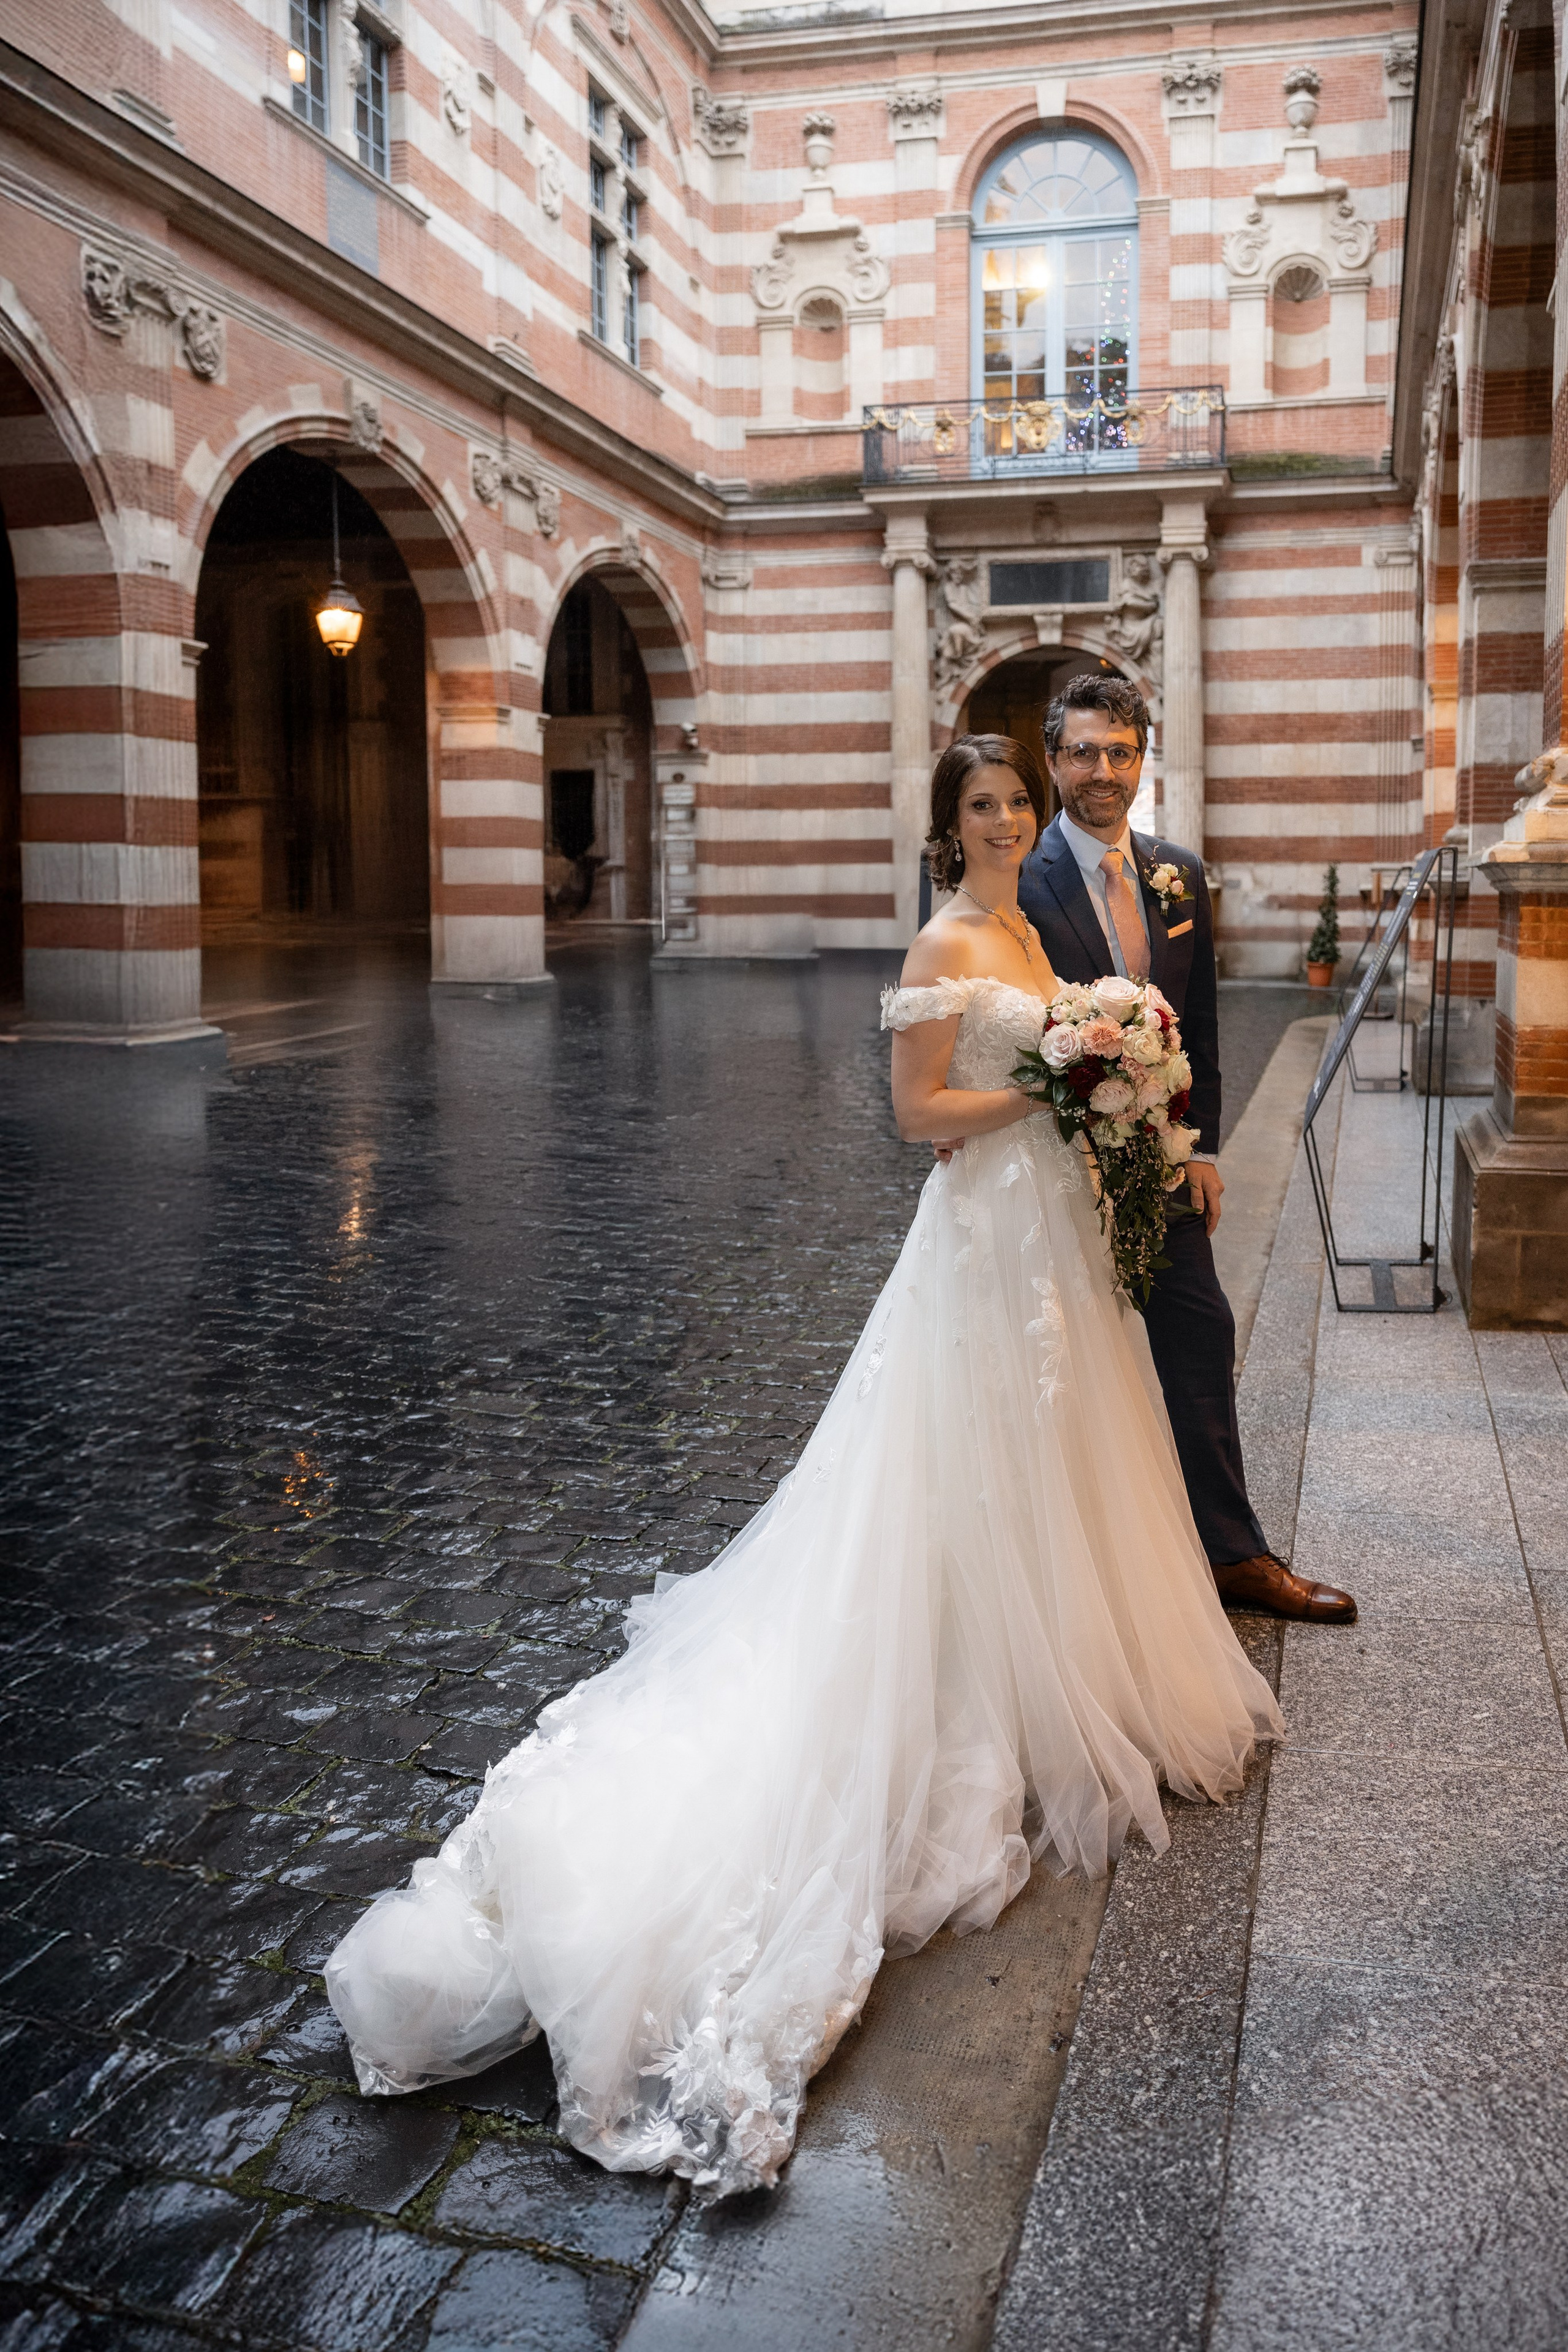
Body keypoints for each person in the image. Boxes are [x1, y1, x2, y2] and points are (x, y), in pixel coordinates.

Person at [324, 733, 1283, 2201]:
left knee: (1070, 1455)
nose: (1003, 820)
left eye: (1014, 802)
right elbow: (917, 1118)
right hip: (976, 1247)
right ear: (943, 824)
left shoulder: (1030, 925)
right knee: (959, 1467)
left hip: (1058, 1244)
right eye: (982, 804)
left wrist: (1110, 1088)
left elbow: (1072, 1067)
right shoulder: (948, 934)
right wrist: (1058, 1080)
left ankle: (1050, 1658)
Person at [1012, 672, 1356, 1623]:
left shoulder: (1178, 873)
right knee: (1063, 1357)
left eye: (1120, 752)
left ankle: (1233, 1556)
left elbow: (1197, 1026)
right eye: (1083, 751)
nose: (1103, 771)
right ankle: (1074, 1579)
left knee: (1198, 1333)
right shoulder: (1018, 877)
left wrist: (1199, 1150)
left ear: (1141, 760)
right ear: (1054, 761)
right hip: (1053, 1162)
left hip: (1159, 1158)